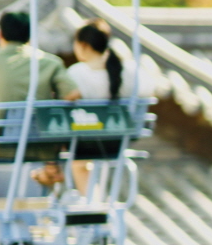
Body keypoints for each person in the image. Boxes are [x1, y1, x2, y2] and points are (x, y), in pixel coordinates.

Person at [0, 11, 80, 196]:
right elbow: (73, 94)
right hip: (40, 146)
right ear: (29, 35)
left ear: (1, 33)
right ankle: (50, 175)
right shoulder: (49, 62)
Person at [48, 19, 154, 193]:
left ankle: (90, 198)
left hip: (84, 143)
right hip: (119, 140)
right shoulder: (129, 70)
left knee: (77, 160)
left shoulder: (77, 73)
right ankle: (94, 198)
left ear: (83, 45)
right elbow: (147, 92)